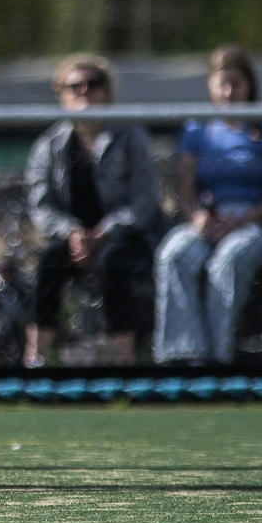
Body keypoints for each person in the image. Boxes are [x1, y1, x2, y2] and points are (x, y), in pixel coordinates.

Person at [22, 54, 163, 367]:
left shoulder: (130, 137)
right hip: (73, 239)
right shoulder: (50, 145)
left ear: (108, 93)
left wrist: (106, 232)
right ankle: (36, 357)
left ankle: (123, 360)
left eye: (93, 84)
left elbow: (146, 200)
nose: (84, 91)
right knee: (49, 260)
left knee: (116, 259)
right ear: (62, 95)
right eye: (74, 86)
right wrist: (71, 233)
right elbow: (41, 206)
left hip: (125, 236)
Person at [154, 46, 262, 365]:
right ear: (210, 85)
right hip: (209, 220)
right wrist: (197, 218)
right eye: (221, 84)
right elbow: (185, 192)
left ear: (249, 86)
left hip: (257, 223)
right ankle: (186, 354)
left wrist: (240, 222)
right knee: (174, 254)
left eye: (236, 84)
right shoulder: (197, 131)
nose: (228, 92)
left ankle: (217, 358)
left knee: (228, 260)